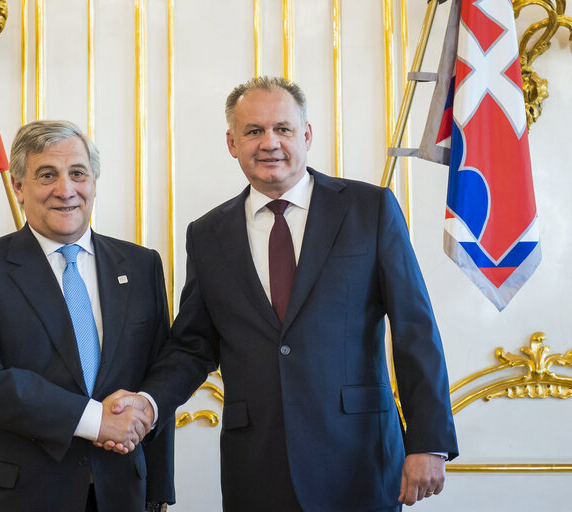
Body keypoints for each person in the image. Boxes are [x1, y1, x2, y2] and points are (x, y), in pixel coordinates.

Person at [104, 77, 458, 511]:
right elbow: (193, 345)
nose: (268, 142)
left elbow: (414, 328)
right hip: (257, 464)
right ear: (232, 143)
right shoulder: (208, 233)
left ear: (306, 135)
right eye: (253, 131)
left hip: (359, 457)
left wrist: (428, 442)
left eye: (283, 129)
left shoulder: (370, 209)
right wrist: (148, 402)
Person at [0, 120, 174, 512]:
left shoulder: (141, 265)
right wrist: (94, 419)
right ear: (19, 187)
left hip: (119, 495)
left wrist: (157, 492)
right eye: (47, 175)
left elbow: (159, 370)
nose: (65, 190)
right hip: (15, 497)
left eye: (78, 173)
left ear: (94, 182)